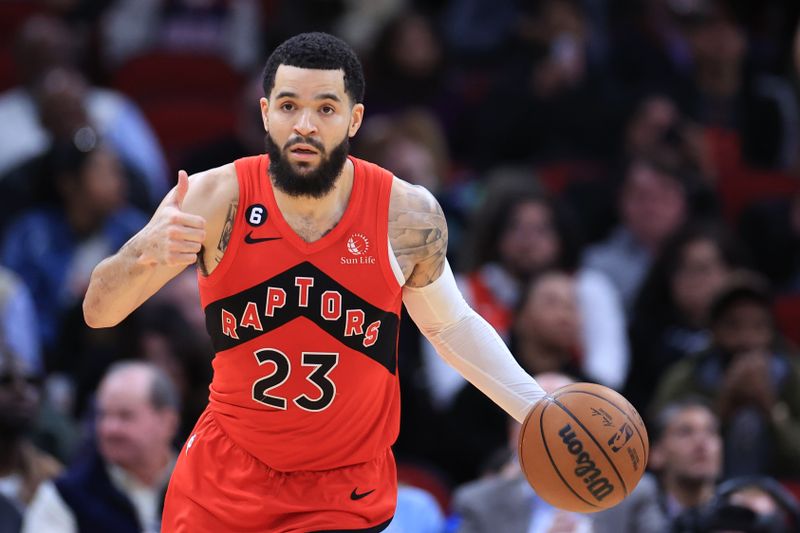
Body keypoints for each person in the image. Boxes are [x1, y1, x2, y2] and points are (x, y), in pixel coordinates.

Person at [82, 32, 547, 532]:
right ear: (265, 113)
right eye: (288, 106)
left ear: (354, 118)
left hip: (341, 490)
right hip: (223, 482)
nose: (304, 125)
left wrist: (539, 410)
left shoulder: (405, 214)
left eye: (325, 108)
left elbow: (451, 328)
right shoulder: (214, 197)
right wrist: (141, 253)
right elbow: (99, 311)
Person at [23, 361, 179, 533]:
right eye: (103, 415)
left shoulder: (203, 483)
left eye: (125, 416)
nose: (109, 428)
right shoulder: (63, 496)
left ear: (167, 422)